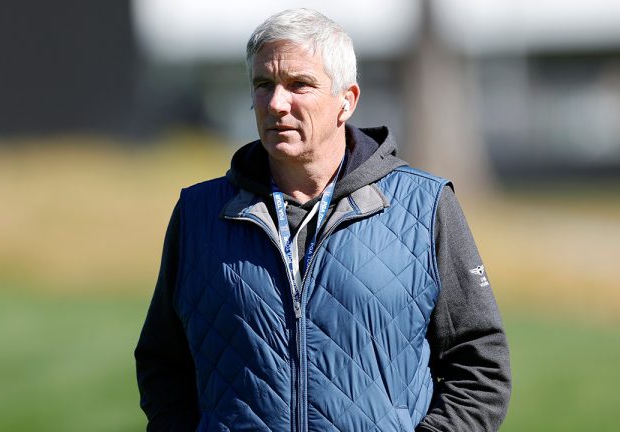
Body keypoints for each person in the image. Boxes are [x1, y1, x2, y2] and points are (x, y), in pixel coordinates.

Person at [135, 8, 511, 432]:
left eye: (299, 85)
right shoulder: (198, 213)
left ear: (346, 101)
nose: (277, 103)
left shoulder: (425, 205)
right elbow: (162, 363)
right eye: (263, 85)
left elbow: (480, 365)